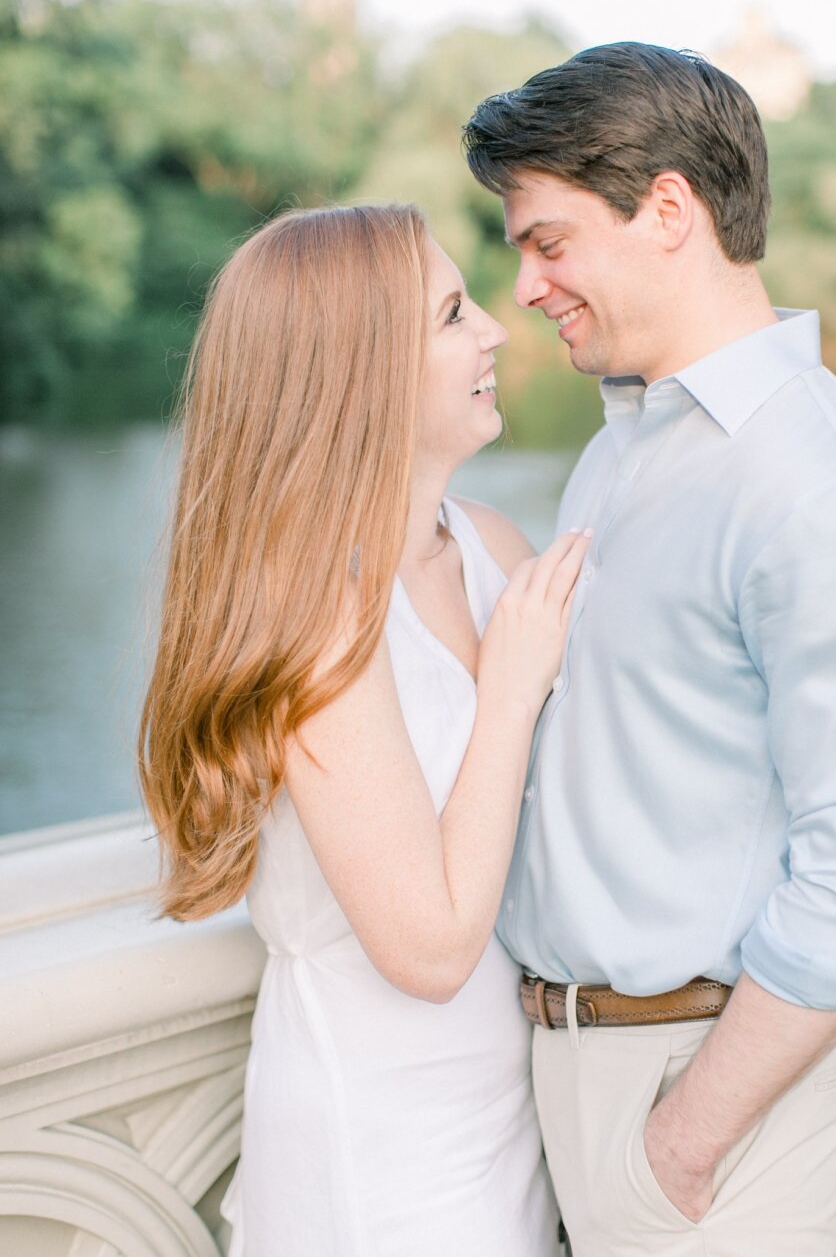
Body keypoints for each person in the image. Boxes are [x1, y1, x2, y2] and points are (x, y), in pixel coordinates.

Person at [462, 42, 836, 1256]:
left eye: (547, 240)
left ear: (668, 209)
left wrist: (684, 1140)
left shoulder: (818, 488)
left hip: (703, 1113)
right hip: (570, 1083)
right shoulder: (626, 441)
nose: (524, 285)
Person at [138, 203, 588, 1256]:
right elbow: (426, 949)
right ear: (357, 370)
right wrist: (512, 692)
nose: (493, 331)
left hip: (512, 1126)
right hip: (382, 1166)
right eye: (448, 316)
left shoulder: (487, 544)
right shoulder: (316, 613)